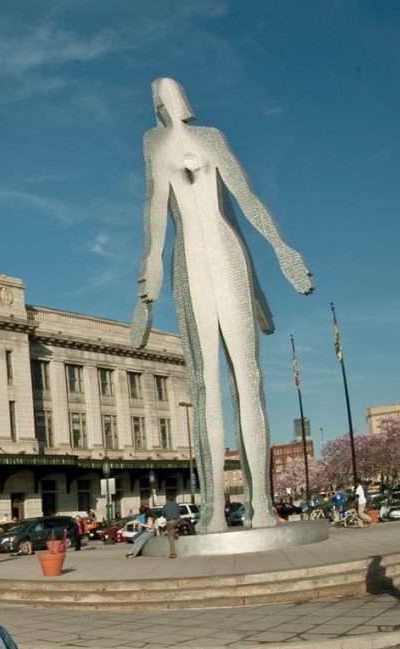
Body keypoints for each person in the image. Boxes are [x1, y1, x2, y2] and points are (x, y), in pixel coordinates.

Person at [132, 78, 315, 532]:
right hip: (188, 266)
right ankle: (214, 505)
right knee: (204, 385)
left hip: (227, 255)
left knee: (247, 382)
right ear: (156, 103)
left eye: (170, 90)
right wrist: (147, 282)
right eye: (160, 93)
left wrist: (282, 249)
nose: (166, 97)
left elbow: (246, 199)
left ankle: (261, 503)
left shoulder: (211, 138)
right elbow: (155, 213)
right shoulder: (153, 145)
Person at [161, 494, 183, 559]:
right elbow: (179, 513)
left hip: (170, 522)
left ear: (167, 499)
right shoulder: (177, 505)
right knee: (179, 521)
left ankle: (173, 553)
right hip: (177, 521)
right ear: (174, 499)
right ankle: (176, 531)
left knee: (170, 536)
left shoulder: (165, 506)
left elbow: (163, 515)